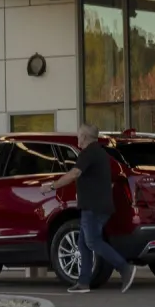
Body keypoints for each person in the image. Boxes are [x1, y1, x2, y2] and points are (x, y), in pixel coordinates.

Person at [48, 124, 136, 292]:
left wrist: (52, 186)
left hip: (93, 207)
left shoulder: (88, 153)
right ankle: (83, 282)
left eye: (79, 135)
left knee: (92, 241)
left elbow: (75, 173)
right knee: (83, 243)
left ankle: (124, 268)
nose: (77, 138)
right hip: (98, 205)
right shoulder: (101, 153)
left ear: (85, 137)